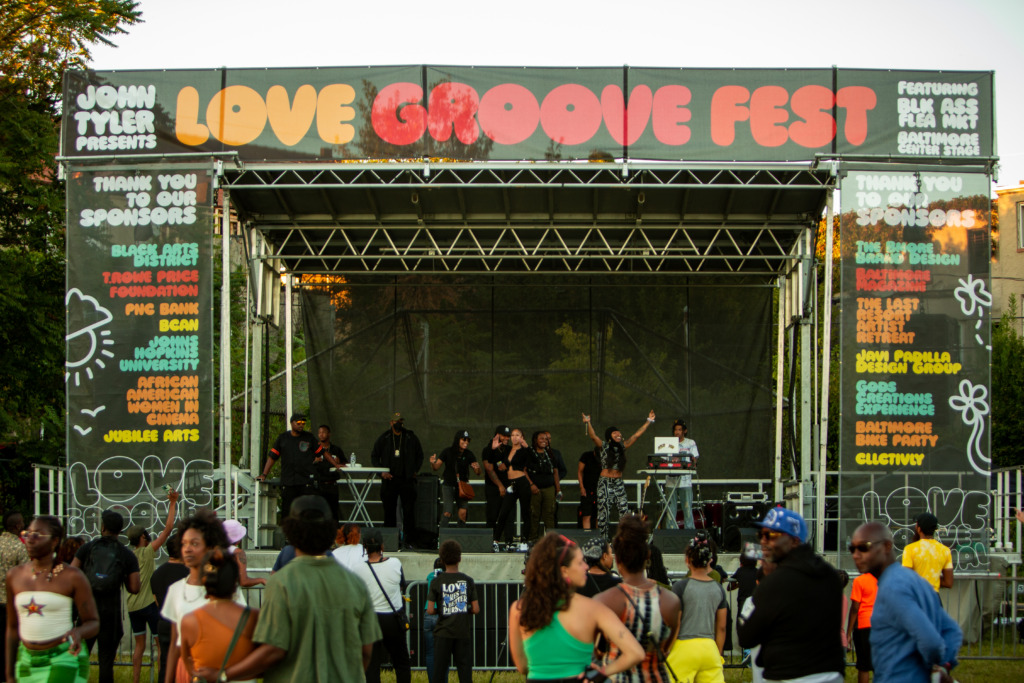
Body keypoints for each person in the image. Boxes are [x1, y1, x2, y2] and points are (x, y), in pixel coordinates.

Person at [193, 495, 382, 683]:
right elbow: (366, 651)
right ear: (330, 532)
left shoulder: (281, 582)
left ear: (291, 533)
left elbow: (273, 651)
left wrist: (224, 674)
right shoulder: (356, 584)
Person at [509, 532, 645, 681]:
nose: (586, 566)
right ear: (564, 570)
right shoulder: (593, 608)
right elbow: (636, 653)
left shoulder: (519, 608)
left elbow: (522, 666)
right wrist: (601, 673)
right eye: (580, 563)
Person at [737, 507, 845, 683]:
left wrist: (764, 585)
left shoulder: (775, 582)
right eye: (761, 535)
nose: (763, 541)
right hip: (830, 673)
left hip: (789, 675)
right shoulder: (829, 574)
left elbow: (746, 635)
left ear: (794, 541)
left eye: (771, 535)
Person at [850, 522, 961, 683]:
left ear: (887, 546)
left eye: (864, 547)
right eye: (852, 548)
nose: (856, 555)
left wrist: (932, 668)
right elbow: (951, 631)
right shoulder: (913, 581)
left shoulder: (895, 587)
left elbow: (931, 642)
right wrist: (943, 666)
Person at [5, 516, 98, 683]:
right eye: (28, 534)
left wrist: (78, 632)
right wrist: (9, 673)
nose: (30, 540)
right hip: (26, 660)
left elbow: (93, 622)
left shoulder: (72, 576)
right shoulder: (15, 576)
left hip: (62, 657)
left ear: (55, 541)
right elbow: (12, 628)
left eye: (38, 535)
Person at [595, 514, 681, 683]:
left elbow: (593, 651)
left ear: (617, 559)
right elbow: (664, 651)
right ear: (647, 557)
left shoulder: (604, 602)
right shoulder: (671, 602)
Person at [71, 509, 142, 683]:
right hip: (111, 614)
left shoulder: (87, 548)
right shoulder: (126, 554)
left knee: (79, 660)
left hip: (87, 612)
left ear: (102, 527)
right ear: (120, 530)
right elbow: (134, 587)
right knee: (106, 663)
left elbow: (71, 574)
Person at [161, 509, 231, 683]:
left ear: (210, 546)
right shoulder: (175, 590)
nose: (188, 549)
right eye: (184, 544)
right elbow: (174, 646)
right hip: (185, 672)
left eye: (194, 543)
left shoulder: (224, 589)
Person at [179, 548, 259, 682]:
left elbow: (189, 665)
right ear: (235, 583)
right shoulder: (253, 618)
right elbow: (263, 663)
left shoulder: (189, 621)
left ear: (204, 582)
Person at [125, 488, 180, 683]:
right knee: (160, 644)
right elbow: (168, 528)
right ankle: (161, 677)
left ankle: (136, 680)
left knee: (139, 646)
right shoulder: (147, 552)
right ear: (143, 538)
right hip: (148, 604)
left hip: (132, 606)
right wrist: (173, 503)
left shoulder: (127, 555)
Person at [349, 527, 411, 683]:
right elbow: (401, 586)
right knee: (401, 663)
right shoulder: (395, 563)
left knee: (372, 666)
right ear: (382, 546)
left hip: (370, 620)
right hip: (393, 619)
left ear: (364, 548)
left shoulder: (357, 568)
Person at [666, 531, 727, 683]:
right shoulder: (718, 589)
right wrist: (718, 655)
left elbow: (676, 624)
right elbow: (721, 627)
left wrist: (666, 649)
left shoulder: (680, 587)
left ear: (687, 560)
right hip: (709, 647)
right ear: (710, 560)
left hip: (684, 646)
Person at [583, 411, 656, 538]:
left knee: (624, 511)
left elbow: (636, 435)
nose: (618, 434)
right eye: (614, 432)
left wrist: (648, 421)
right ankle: (603, 542)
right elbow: (593, 436)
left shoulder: (623, 446)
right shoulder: (604, 446)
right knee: (603, 514)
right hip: (605, 482)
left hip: (618, 483)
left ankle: (624, 539)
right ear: (609, 436)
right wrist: (588, 423)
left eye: (619, 432)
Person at [427, 540, 480, 683]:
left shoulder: (436, 582)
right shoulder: (468, 580)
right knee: (465, 673)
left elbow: (430, 609)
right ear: (460, 558)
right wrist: (462, 608)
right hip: (462, 632)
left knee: (439, 672)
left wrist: (444, 608)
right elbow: (476, 609)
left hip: (443, 632)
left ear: (442, 560)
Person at [370, 412, 425, 548]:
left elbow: (420, 455)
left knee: (409, 512)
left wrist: (414, 471)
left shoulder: (410, 437)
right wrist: (381, 472)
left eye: (400, 420)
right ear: (391, 422)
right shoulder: (385, 438)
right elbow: (374, 456)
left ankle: (410, 541)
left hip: (406, 480)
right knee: (389, 511)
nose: (399, 423)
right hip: (390, 480)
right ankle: (390, 542)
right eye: (396, 421)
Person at [256, 414, 325, 519]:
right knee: (287, 511)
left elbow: (322, 452)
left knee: (306, 512)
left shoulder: (309, 437)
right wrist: (264, 474)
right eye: (298, 423)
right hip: (288, 482)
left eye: (303, 423)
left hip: (305, 482)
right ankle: (287, 534)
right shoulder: (283, 438)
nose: (301, 425)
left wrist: (335, 464)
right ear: (292, 423)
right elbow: (273, 457)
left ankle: (306, 533)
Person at [151, 533, 190, 683]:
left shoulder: (157, 574)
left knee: (166, 662)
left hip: (165, 622)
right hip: (185, 624)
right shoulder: (190, 574)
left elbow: (157, 602)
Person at [492, 428, 534, 551]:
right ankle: (496, 541)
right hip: (511, 484)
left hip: (522, 482)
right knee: (504, 512)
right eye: (512, 435)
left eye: (517, 435)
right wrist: (494, 450)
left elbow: (533, 460)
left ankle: (525, 541)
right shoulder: (508, 450)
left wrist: (528, 448)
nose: (514, 437)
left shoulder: (524, 450)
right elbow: (500, 466)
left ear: (522, 437)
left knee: (526, 512)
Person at [429, 429, 482, 527]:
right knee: (447, 511)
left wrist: (477, 468)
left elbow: (478, 472)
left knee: (463, 512)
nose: (466, 442)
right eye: (463, 440)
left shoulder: (469, 454)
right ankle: (442, 535)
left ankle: (460, 535)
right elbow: (436, 467)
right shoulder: (447, 451)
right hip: (448, 485)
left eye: (467, 441)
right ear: (458, 440)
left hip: (463, 486)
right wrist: (432, 463)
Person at [0, 510, 28, 677]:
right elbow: (25, 578)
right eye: (22, 522)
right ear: (17, 526)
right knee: (8, 646)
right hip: (9, 605)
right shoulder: (20, 547)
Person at [527, 431, 567, 542]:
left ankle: (551, 540)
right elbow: (524, 470)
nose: (544, 441)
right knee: (534, 514)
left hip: (549, 487)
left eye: (546, 439)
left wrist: (558, 489)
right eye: (541, 439)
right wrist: (531, 484)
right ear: (535, 440)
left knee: (549, 514)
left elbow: (556, 472)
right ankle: (532, 540)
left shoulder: (551, 454)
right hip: (535, 488)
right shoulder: (530, 453)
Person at [901, 512, 953, 593]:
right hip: (934, 598)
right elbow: (948, 582)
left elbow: (907, 578)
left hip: (917, 597)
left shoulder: (910, 549)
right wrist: (932, 580)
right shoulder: (945, 550)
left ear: (919, 529)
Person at [846, 564, 878, 683]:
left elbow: (855, 607)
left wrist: (849, 632)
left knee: (864, 666)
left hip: (863, 625)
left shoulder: (859, 581)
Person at [665, 419, 700, 529]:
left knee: (687, 508)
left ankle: (689, 532)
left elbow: (695, 458)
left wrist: (692, 461)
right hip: (671, 481)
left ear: (684, 431)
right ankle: (671, 531)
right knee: (671, 508)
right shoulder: (667, 443)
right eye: (675, 430)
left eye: (679, 430)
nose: (677, 432)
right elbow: (663, 460)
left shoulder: (690, 443)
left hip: (685, 481)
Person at [730, 543, 759, 664]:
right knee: (755, 627)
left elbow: (730, 586)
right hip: (756, 603)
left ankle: (746, 652)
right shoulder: (758, 572)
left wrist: (738, 584)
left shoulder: (740, 571)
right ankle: (753, 652)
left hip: (743, 604)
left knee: (741, 627)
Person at [482, 425, 512, 540]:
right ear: (497, 435)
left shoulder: (509, 450)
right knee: (492, 515)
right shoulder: (488, 449)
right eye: (504, 435)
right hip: (493, 487)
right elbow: (489, 469)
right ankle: (490, 541)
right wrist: (500, 486)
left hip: (508, 487)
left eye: (508, 436)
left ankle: (509, 542)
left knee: (509, 516)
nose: (506, 438)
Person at [314, 423, 346, 521]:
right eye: (319, 433)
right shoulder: (314, 449)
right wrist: (315, 460)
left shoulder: (336, 449)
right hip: (319, 485)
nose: (321, 435)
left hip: (332, 485)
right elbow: (305, 464)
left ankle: (335, 534)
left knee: (333, 512)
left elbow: (346, 463)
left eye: (324, 432)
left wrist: (338, 461)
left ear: (329, 434)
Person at [221, 520, 266, 588]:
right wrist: (261, 580)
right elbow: (244, 581)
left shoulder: (212, 550)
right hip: (231, 594)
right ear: (238, 539)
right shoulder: (238, 553)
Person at [422, 557, 445, 683]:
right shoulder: (447, 577)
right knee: (443, 653)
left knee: (430, 653)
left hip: (428, 614)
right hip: (441, 615)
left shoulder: (430, 576)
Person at [578, 447, 601, 530]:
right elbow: (580, 471)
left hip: (600, 489)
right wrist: (581, 487)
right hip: (587, 489)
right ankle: (586, 535)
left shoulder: (606, 457)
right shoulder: (586, 456)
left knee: (599, 515)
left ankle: (599, 535)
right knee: (586, 514)